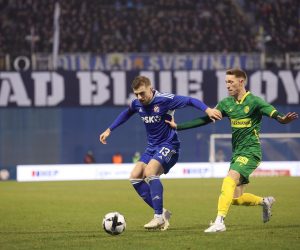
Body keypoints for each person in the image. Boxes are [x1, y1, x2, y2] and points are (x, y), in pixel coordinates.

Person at [166, 68, 298, 233]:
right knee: (234, 198)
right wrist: (178, 126)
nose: (227, 86)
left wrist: (283, 119)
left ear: (241, 82)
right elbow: (206, 119)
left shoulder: (255, 102)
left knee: (228, 180)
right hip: (237, 154)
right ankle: (265, 201)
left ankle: (219, 222)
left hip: (251, 152)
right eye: (226, 82)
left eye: (231, 82)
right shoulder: (226, 104)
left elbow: (276, 115)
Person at [99, 75, 222, 230]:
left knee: (150, 172)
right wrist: (109, 130)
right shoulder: (137, 104)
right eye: (136, 94)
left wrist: (208, 109)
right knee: (135, 176)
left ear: (151, 89)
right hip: (152, 147)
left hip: (170, 145)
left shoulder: (165, 100)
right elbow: (126, 112)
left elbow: (190, 100)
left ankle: (158, 217)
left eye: (142, 93)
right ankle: (163, 212)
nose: (139, 97)